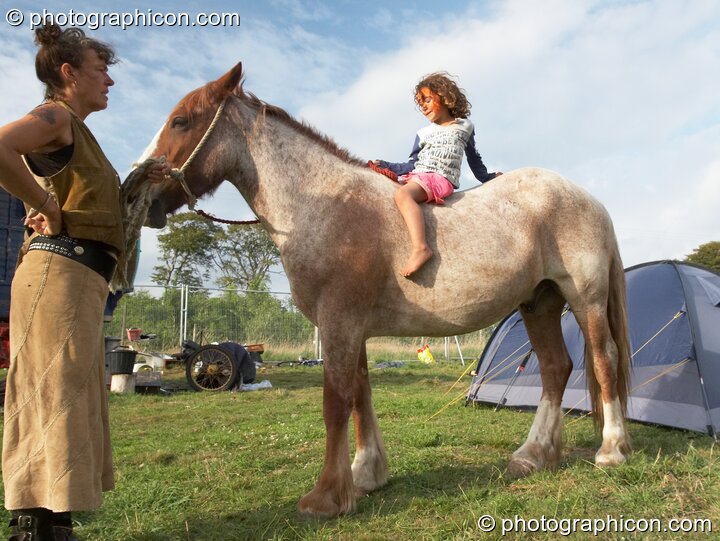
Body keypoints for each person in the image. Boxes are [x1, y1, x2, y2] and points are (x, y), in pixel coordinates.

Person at [0, 23, 168, 540]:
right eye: (102, 70)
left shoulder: (76, 127)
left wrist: (140, 184)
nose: (110, 81)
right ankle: (40, 526)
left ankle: (47, 521)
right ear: (67, 73)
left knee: (64, 394)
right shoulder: (54, 115)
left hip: (76, 280)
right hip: (58, 273)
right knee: (54, 394)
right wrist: (47, 204)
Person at [370, 72, 502, 277]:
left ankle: (421, 248)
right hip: (418, 175)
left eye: (428, 99)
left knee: (403, 196)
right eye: (420, 103)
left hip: (439, 178)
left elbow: (474, 159)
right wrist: (386, 165)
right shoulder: (423, 133)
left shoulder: (464, 126)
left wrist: (488, 178)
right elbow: (411, 164)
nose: (423, 106)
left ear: (445, 96)